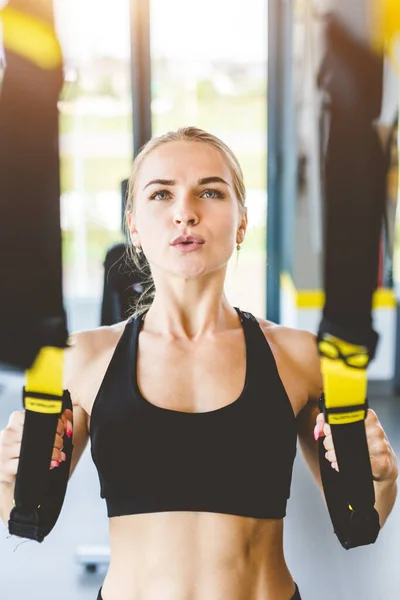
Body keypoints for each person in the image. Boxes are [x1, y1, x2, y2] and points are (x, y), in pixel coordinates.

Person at [0, 127, 398, 600]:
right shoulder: (82, 358)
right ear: (134, 225)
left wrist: (381, 474)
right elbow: (21, 511)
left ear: (242, 222)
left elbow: (361, 511)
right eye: (161, 194)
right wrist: (9, 473)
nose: (185, 213)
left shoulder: (298, 357)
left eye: (210, 192)